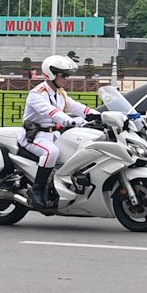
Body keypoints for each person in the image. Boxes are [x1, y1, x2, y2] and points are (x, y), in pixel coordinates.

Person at [22, 55, 91, 209]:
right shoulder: (37, 94)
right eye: (63, 75)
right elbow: (51, 112)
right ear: (52, 74)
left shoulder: (60, 93)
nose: (67, 78)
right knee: (51, 152)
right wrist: (69, 120)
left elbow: (79, 108)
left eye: (67, 74)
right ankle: (37, 191)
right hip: (36, 136)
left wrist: (100, 116)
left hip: (54, 134)